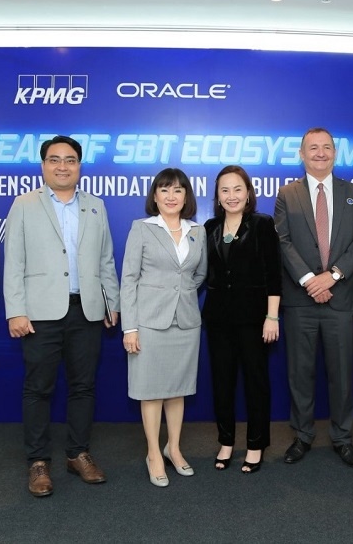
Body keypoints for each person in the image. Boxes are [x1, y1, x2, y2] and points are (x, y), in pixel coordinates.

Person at [3, 135, 121, 497]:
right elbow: (14, 261)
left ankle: (77, 453)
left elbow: (105, 259)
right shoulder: (24, 204)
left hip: (86, 310)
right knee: (38, 388)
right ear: (43, 166)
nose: (62, 166)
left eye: (70, 160)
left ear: (79, 166)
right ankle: (38, 461)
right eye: (54, 160)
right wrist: (16, 311)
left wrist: (111, 301)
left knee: (83, 386)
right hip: (40, 313)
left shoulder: (96, 206)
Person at [273, 127, 353, 468]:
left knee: (341, 374)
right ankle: (302, 436)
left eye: (326, 147)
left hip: (341, 299)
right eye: (312, 148)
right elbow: (282, 241)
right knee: (300, 374)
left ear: (335, 153)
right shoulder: (287, 194)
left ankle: (343, 438)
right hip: (300, 301)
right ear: (302, 154)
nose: (320, 153)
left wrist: (333, 275)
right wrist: (309, 280)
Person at [121, 168, 207, 487]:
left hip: (185, 322)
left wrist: (181, 292)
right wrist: (130, 328)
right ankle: (154, 453)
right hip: (149, 323)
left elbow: (200, 274)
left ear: (186, 197)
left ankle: (174, 447)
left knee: (177, 389)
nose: (171, 196)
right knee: (151, 390)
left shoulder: (197, 231)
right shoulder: (142, 228)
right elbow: (129, 279)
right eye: (165, 190)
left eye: (178, 190)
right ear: (155, 196)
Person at [203, 166, 281, 474]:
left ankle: (255, 445)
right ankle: (225, 442)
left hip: (254, 319)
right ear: (217, 196)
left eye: (238, 189)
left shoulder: (262, 224)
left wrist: (272, 316)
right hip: (218, 319)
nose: (231, 196)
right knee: (222, 383)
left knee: (255, 383)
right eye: (225, 190)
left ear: (248, 193)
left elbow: (273, 274)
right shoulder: (210, 227)